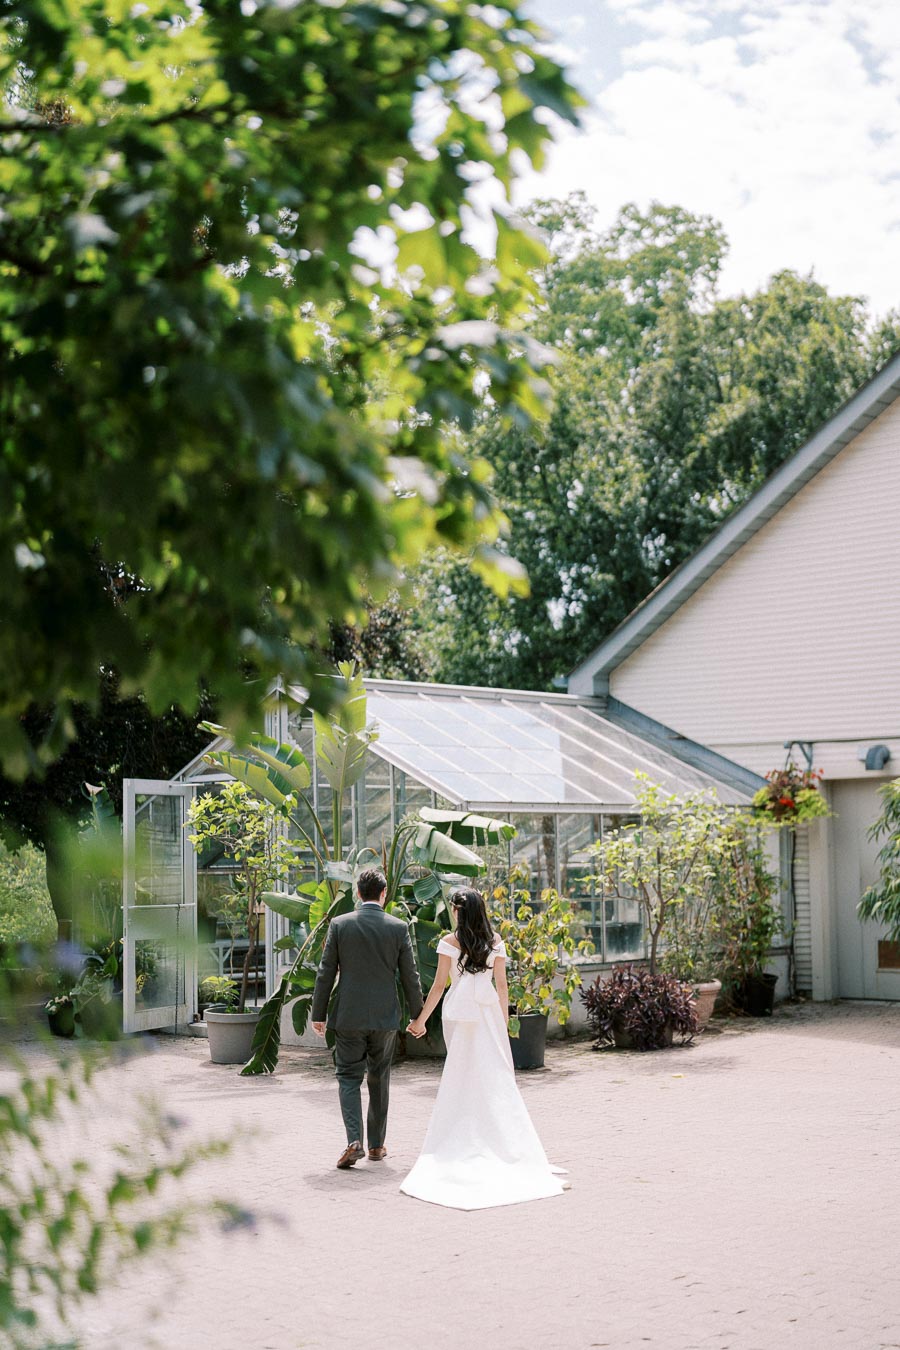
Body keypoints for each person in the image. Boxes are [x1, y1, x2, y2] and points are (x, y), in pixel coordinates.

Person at [400, 886, 566, 1210]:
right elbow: (501, 987)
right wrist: (503, 1025)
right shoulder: (495, 942)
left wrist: (420, 1020)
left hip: (461, 1013)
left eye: (454, 908)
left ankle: (464, 1136)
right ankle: (498, 1141)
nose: (452, 912)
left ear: (460, 911)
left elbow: (438, 986)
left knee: (461, 1074)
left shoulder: (449, 942)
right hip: (488, 1012)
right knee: (493, 1076)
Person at [311, 867, 424, 1170]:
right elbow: (410, 977)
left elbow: (325, 973)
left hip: (348, 1015)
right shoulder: (398, 928)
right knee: (379, 1078)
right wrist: (418, 1016)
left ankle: (354, 1141)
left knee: (348, 1077)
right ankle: (376, 1147)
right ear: (384, 894)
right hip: (385, 1018)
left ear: (357, 893)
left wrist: (318, 1014)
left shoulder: (340, 924)